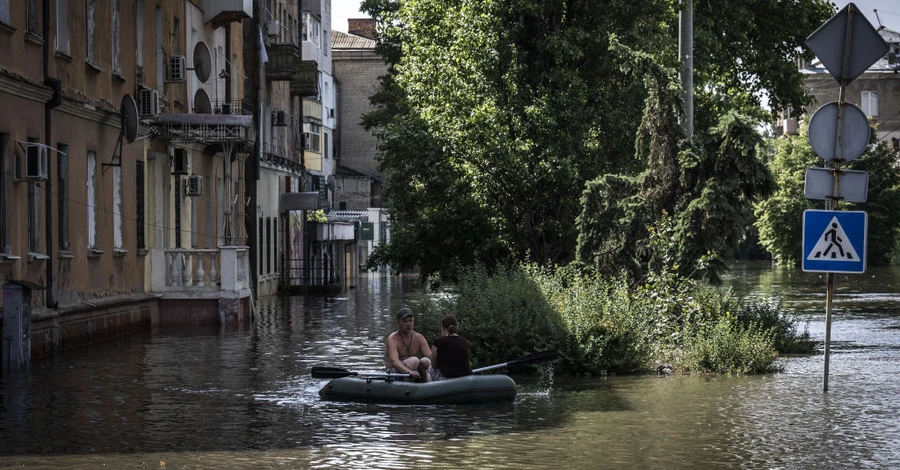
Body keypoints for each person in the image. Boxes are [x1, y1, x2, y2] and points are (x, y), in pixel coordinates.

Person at [385, 307, 433, 382]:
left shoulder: (419, 337)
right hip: (394, 373)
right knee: (414, 360)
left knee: (425, 361)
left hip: (412, 371)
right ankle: (406, 388)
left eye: (410, 321)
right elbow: (394, 362)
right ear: (398, 323)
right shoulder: (392, 339)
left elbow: (430, 356)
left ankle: (427, 385)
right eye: (405, 321)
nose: (408, 324)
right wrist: (409, 372)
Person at [429, 315, 472, 381]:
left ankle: (430, 390)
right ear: (456, 327)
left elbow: (434, 365)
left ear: (443, 328)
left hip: (447, 378)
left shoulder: (438, 342)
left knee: (429, 370)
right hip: (465, 377)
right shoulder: (465, 342)